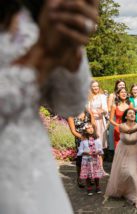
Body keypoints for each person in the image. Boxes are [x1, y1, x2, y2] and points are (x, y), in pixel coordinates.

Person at [0, 0, 97, 212]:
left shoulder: (30, 7)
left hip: (40, 181)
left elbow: (70, 104)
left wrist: (68, 46)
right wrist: (41, 55)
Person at [105, 108, 137, 208]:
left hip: (134, 151)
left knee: (134, 173)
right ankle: (123, 190)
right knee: (123, 172)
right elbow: (128, 131)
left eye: (133, 113)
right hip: (122, 151)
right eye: (130, 113)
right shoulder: (121, 126)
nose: (132, 115)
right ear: (126, 116)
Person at [67, 110, 95, 188]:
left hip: (90, 138)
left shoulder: (88, 113)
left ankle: (90, 176)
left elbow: (94, 125)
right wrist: (83, 137)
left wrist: (91, 135)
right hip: (80, 140)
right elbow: (73, 131)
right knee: (80, 159)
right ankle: (79, 178)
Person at [78, 123, 105, 196]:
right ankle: (89, 187)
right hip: (87, 160)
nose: (90, 129)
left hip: (95, 159)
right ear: (85, 131)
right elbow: (80, 151)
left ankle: (97, 186)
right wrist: (85, 152)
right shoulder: (83, 141)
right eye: (88, 128)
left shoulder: (97, 139)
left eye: (92, 127)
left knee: (96, 174)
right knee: (87, 174)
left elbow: (100, 149)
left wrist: (98, 151)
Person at [87, 80, 108, 149]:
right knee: (92, 141)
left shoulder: (102, 96)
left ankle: (101, 159)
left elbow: (105, 110)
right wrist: (94, 112)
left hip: (100, 121)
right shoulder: (89, 97)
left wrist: (102, 111)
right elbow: (88, 109)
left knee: (101, 141)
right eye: (93, 86)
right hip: (92, 121)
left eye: (97, 86)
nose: (95, 88)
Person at [107, 79, 126, 151]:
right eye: (120, 85)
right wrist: (117, 110)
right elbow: (109, 108)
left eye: (123, 85)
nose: (121, 86)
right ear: (116, 86)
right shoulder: (112, 95)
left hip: (124, 119)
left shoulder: (126, 95)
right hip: (115, 118)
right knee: (115, 138)